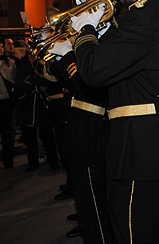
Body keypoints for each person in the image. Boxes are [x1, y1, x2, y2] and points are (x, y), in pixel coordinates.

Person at [52, 0, 159, 244]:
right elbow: (137, 58)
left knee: (132, 234)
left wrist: (85, 31)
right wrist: (106, 32)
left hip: (141, 148)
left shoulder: (145, 16)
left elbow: (92, 72)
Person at [48, 22, 113, 244]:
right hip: (81, 125)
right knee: (86, 198)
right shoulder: (91, 42)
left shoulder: (105, 43)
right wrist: (57, 60)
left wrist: (66, 55)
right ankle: (91, 229)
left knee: (92, 198)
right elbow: (70, 84)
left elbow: (87, 88)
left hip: (93, 127)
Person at [0, 38, 17, 170]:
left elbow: (14, 79)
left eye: (1, 46)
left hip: (6, 101)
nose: (1, 49)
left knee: (7, 135)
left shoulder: (10, 62)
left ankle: (8, 161)